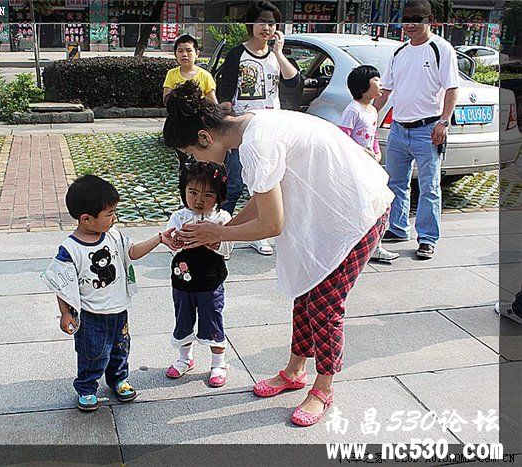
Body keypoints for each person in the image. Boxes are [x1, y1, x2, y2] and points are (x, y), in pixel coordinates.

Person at [164, 81, 394, 426]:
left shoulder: (257, 142)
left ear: (204, 137)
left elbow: (271, 225)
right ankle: (294, 370)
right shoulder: (252, 123)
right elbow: (262, 198)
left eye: (191, 155)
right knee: (305, 293)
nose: (193, 163)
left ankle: (323, 388)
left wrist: (220, 232)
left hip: (358, 213)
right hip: (330, 210)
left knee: (324, 305)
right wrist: (217, 236)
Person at [43, 175, 177, 411]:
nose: (114, 218)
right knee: (92, 353)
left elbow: (132, 252)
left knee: (120, 348)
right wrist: (65, 314)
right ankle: (86, 387)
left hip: (118, 310)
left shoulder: (113, 235)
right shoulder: (70, 249)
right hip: (91, 315)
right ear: (86, 219)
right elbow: (62, 285)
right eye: (109, 214)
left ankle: (118, 379)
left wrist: (159, 239)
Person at [374, 0, 460, 260]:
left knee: (430, 186)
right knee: (395, 183)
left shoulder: (441, 49)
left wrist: (444, 122)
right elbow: (386, 90)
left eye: (417, 19)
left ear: (429, 20)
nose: (410, 24)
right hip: (399, 129)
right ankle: (398, 228)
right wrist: (369, 117)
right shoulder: (400, 52)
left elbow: (452, 88)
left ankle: (427, 238)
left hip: (428, 129)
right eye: (407, 18)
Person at [216, 1, 300, 256]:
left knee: (265, 184)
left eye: (272, 23)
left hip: (272, 130)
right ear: (250, 25)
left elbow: (294, 81)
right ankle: (224, 233)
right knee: (234, 185)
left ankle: (258, 232)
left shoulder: (276, 56)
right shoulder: (237, 54)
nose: (267, 27)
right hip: (243, 130)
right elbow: (225, 92)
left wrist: (279, 52)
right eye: (262, 22)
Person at [164, 161, 233, 387]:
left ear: (219, 195)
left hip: (210, 281)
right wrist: (174, 241)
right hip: (182, 281)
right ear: (184, 191)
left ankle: (218, 362)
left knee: (213, 320)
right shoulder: (180, 216)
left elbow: (228, 249)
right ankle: (185, 359)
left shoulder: (222, 219)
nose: (199, 200)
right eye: (192, 192)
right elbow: (170, 241)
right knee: (183, 320)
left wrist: (215, 242)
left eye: (208, 194)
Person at [339, 65, 400, 263]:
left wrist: (376, 151)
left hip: (370, 166)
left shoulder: (373, 110)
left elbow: (372, 136)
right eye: (376, 80)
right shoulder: (353, 110)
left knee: (378, 203)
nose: (381, 83)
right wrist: (362, 152)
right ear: (364, 86)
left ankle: (375, 245)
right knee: (359, 206)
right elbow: (343, 139)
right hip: (356, 168)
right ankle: (352, 245)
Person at [163, 34, 217, 105]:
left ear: (197, 54)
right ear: (175, 54)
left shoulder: (206, 76)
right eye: (180, 51)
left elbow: (213, 103)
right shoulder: (171, 74)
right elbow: (166, 100)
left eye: (189, 51)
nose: (184, 54)